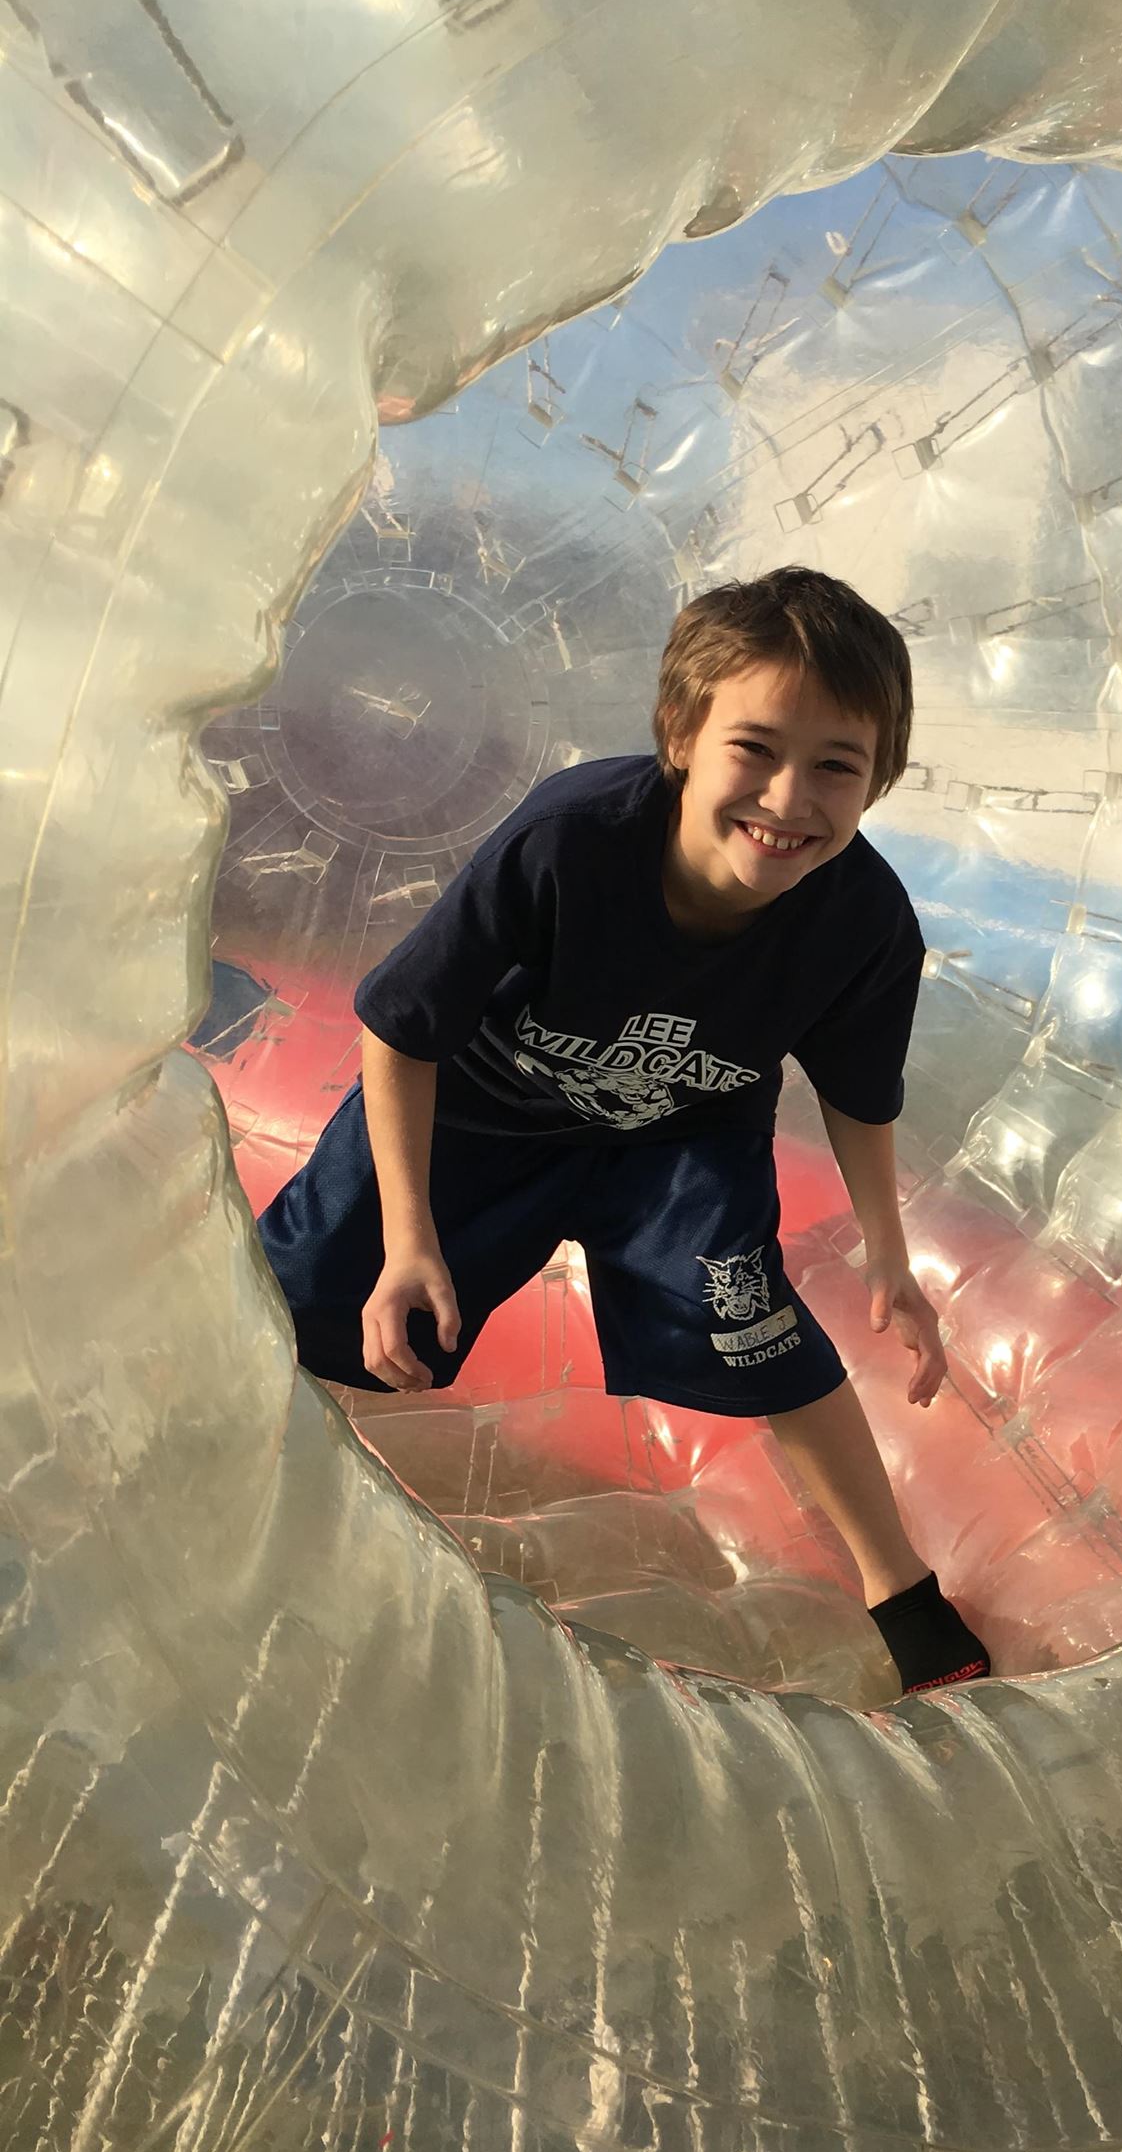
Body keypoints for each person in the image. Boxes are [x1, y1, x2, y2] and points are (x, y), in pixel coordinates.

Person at [257, 565, 991, 1698]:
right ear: (684, 736)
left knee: (766, 1338)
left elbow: (858, 1088)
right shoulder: (573, 839)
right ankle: (244, 1463)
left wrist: (890, 1253)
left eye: (836, 765)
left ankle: (899, 1586)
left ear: (877, 780)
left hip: (679, 1140)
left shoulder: (864, 923)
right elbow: (400, 1029)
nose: (791, 798)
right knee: (307, 1293)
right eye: (757, 748)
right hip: (480, 1109)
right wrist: (409, 1236)